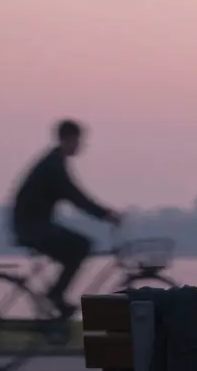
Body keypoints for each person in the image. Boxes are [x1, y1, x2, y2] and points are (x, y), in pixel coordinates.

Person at [9, 119, 123, 318]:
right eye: (79, 141)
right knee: (82, 246)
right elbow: (75, 196)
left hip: (33, 224)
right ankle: (55, 296)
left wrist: (103, 214)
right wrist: (106, 214)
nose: (80, 146)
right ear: (69, 139)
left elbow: (74, 195)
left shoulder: (54, 161)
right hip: (32, 227)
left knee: (74, 251)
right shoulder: (54, 166)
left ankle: (56, 300)